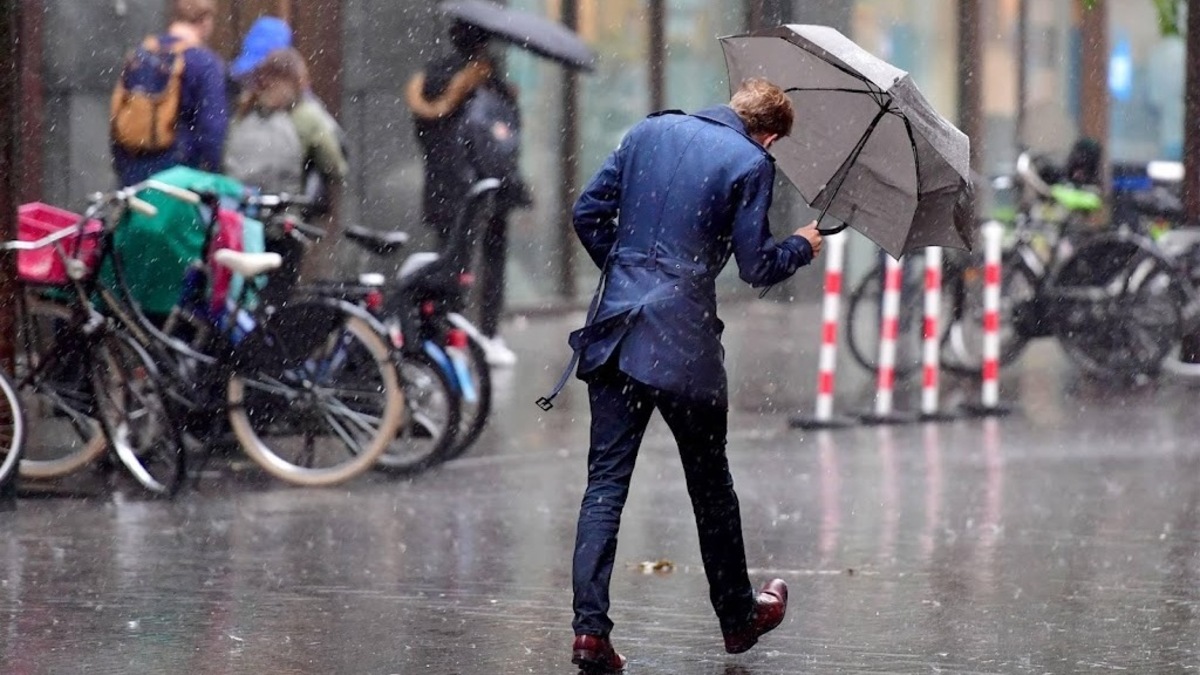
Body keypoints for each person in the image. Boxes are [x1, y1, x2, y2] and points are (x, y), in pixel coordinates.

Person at [562, 78, 824, 672]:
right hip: (683, 343)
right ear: (770, 135)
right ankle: (738, 618)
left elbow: (586, 214)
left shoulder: (648, 130)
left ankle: (590, 633)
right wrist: (800, 246)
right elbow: (756, 265)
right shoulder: (752, 162)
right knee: (710, 486)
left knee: (605, 485)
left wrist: (629, 276)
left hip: (615, 333)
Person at [404, 20, 530, 367]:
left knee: (448, 264)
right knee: (490, 262)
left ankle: (442, 335)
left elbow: (425, 136)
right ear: (483, 44)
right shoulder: (488, 84)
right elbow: (503, 142)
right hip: (486, 189)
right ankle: (487, 335)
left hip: (444, 187)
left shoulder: (430, 80)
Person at [110, 0, 228, 186]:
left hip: (134, 173)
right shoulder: (204, 63)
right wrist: (211, 174)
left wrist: (124, 169)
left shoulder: (140, 55)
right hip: (180, 177)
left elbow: (118, 117)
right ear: (205, 21)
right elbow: (212, 129)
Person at [223, 48, 347, 199]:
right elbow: (334, 167)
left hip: (239, 205)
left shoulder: (244, 110)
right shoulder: (307, 115)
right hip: (284, 207)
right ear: (299, 80)